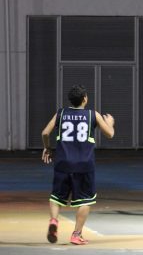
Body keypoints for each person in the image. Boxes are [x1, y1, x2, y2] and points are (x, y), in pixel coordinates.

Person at [41, 84, 115, 245]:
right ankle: (76, 234)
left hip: (63, 163)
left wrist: (47, 148)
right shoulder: (92, 115)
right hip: (84, 165)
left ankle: (54, 221)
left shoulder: (60, 113)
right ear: (85, 99)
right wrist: (110, 122)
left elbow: (45, 132)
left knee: (56, 197)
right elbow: (110, 134)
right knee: (85, 200)